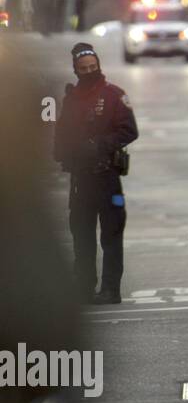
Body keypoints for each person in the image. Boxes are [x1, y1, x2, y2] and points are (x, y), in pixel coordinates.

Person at [52, 42, 139, 304]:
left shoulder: (114, 95)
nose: (89, 71)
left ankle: (111, 289)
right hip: (80, 180)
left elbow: (129, 131)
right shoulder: (71, 99)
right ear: (76, 70)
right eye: (83, 68)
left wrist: (99, 145)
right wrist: (63, 154)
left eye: (93, 66)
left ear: (98, 65)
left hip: (107, 178)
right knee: (82, 235)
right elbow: (62, 134)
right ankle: (84, 288)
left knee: (111, 235)